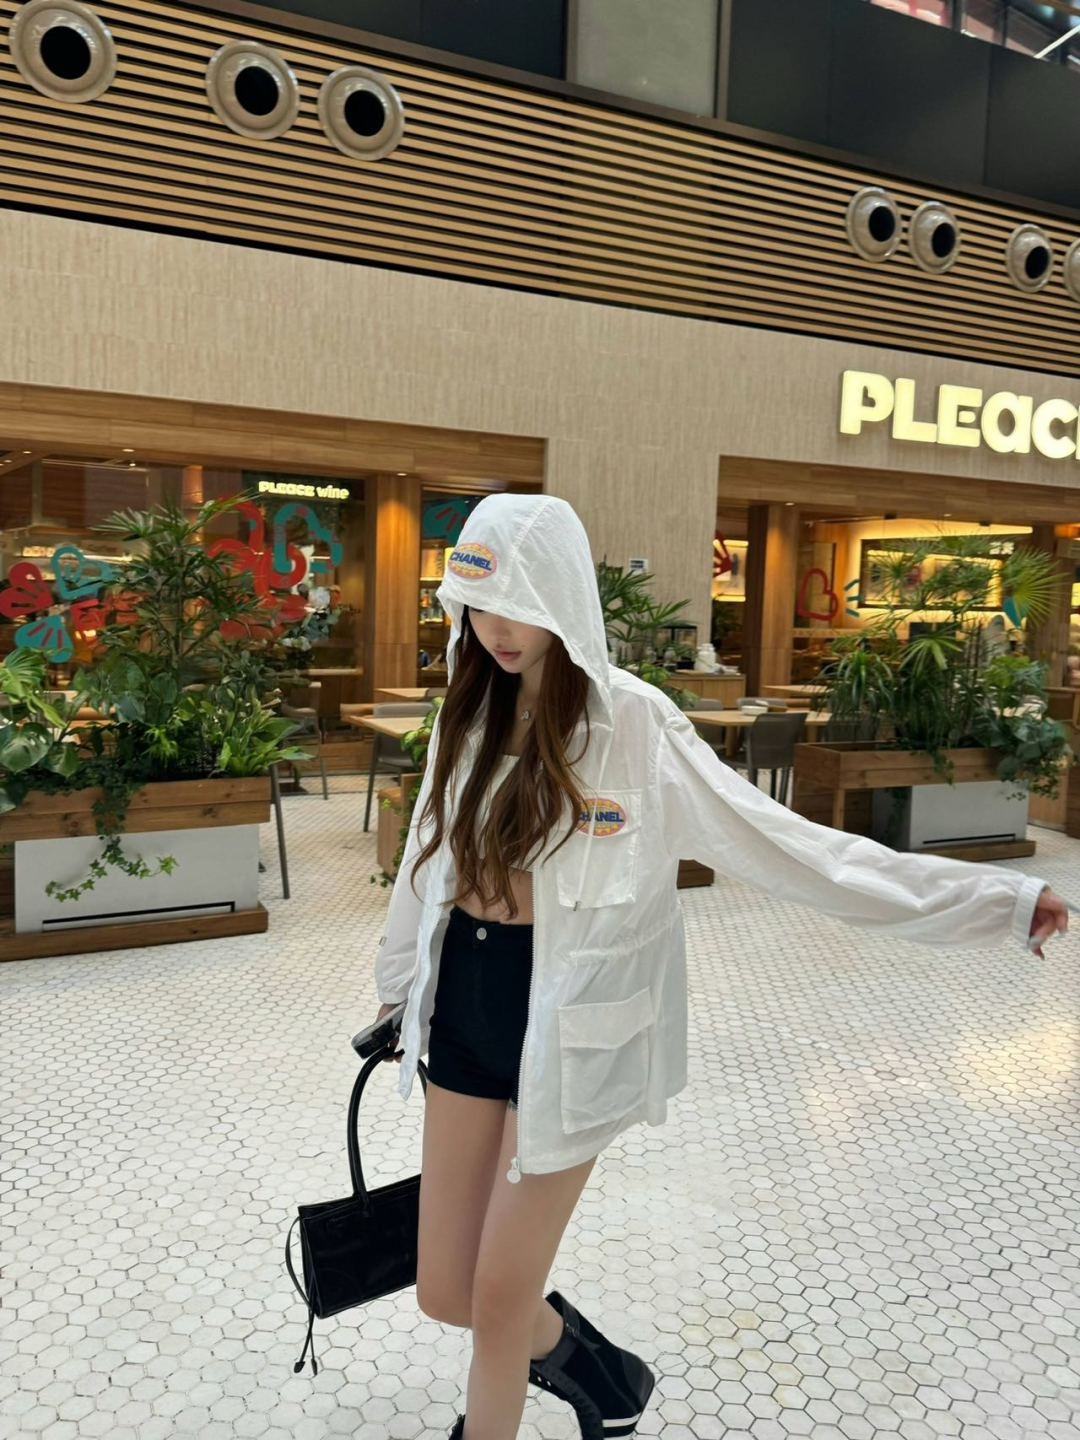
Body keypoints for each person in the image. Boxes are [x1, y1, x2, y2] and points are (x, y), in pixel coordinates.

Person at [372, 494, 1069, 1440]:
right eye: (481, 603)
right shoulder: (471, 708)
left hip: (570, 1031)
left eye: (520, 603)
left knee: (496, 1302)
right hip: (465, 1006)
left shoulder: (633, 723)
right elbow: (427, 865)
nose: (498, 627)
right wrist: (398, 994)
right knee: (444, 1292)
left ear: (562, 597)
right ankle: (604, 1375)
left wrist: (994, 901)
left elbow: (794, 849)